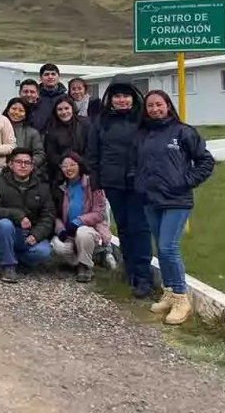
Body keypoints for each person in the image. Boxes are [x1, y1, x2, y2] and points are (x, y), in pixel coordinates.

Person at [138, 89, 215, 325]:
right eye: (150, 106)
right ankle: (170, 292)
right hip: (151, 199)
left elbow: (206, 161)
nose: (154, 109)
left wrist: (185, 182)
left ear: (168, 106)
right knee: (160, 250)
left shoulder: (183, 132)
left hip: (176, 200)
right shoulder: (143, 133)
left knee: (168, 247)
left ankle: (182, 299)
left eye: (159, 105)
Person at [87, 75, 152, 298]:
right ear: (110, 98)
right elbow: (93, 154)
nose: (122, 100)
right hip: (113, 183)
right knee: (123, 228)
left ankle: (144, 277)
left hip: (139, 184)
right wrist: (96, 182)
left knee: (140, 229)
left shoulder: (143, 120)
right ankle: (130, 271)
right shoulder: (101, 121)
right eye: (117, 96)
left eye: (126, 96)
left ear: (133, 98)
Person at [0, 148, 54, 283]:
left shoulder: (42, 187)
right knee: (4, 224)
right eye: (18, 162)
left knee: (44, 252)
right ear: (10, 164)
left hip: (29, 234)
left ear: (32, 166)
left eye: (27, 163)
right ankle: (8, 265)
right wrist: (18, 215)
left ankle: (7, 255)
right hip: (8, 232)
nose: (23, 166)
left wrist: (37, 234)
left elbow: (48, 215)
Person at [51, 153, 110, 283]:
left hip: (91, 230)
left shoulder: (92, 183)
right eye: (64, 166)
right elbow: (56, 215)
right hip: (69, 232)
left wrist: (79, 221)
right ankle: (75, 263)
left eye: (72, 165)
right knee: (57, 244)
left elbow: (100, 213)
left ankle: (85, 266)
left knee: (83, 233)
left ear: (80, 165)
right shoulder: (61, 187)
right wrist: (61, 229)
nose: (68, 168)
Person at [44, 95, 89, 207]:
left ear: (72, 108)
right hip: (62, 174)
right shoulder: (52, 130)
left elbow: (91, 148)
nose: (64, 112)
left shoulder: (85, 124)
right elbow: (51, 155)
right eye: (60, 109)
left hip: (85, 172)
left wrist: (80, 166)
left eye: (66, 108)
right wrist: (67, 166)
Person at [3, 97, 45, 170]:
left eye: (21, 110)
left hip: (24, 172)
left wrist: (26, 164)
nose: (16, 112)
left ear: (26, 114)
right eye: (13, 109)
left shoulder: (33, 133)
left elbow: (39, 154)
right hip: (0, 171)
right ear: (7, 110)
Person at [33, 63, 67, 132]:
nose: (50, 77)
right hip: (37, 137)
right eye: (46, 74)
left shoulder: (66, 98)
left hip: (60, 137)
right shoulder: (34, 97)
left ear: (58, 77)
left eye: (53, 74)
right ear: (40, 78)